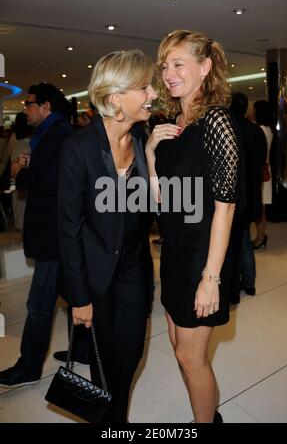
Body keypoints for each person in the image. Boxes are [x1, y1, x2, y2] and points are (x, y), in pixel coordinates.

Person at [145, 30, 240, 423]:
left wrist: (211, 277)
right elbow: (161, 200)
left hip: (204, 256)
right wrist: (151, 152)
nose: (168, 73)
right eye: (165, 65)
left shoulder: (217, 123)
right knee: (178, 346)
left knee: (191, 355)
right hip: (174, 250)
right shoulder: (175, 122)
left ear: (205, 68)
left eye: (178, 63)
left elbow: (226, 208)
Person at [57, 49, 156, 423]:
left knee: (128, 357)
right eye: (143, 88)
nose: (152, 95)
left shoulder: (143, 138)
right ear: (115, 97)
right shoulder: (79, 147)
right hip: (95, 277)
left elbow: (153, 204)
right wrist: (78, 296)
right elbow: (68, 229)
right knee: (103, 365)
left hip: (134, 267)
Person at [0, 83, 73, 388]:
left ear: (46, 107)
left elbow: (52, 181)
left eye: (29, 104)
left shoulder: (59, 135)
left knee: (40, 304)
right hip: (58, 232)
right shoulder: (53, 134)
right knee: (71, 293)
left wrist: (21, 174)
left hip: (55, 234)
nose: (25, 109)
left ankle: (29, 367)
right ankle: (81, 349)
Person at [229, 92, 267, 302]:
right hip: (252, 192)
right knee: (243, 239)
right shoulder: (256, 130)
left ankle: (233, 291)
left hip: (234, 196)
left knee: (231, 244)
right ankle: (250, 283)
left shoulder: (228, 129)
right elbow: (261, 161)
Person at [252, 100, 274, 249]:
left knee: (259, 209)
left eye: (254, 109)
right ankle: (260, 237)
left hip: (260, 171)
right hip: (265, 169)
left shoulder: (260, 130)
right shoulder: (268, 129)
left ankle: (260, 238)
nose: (252, 112)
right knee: (260, 208)